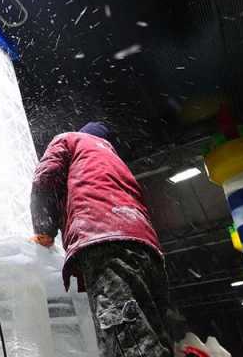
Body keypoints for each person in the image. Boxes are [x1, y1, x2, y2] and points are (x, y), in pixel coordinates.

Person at [29, 122, 172, 357]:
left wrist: (44, 229)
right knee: (153, 336)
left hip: (104, 241)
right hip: (147, 249)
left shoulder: (69, 140)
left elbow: (45, 177)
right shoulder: (114, 159)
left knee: (127, 340)